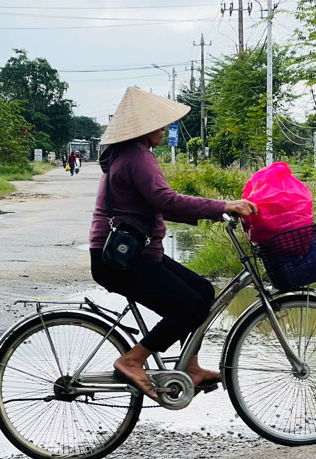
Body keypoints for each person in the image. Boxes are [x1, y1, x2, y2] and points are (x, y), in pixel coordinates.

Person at [90, 87, 257, 401]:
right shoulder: (137, 157)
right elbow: (167, 202)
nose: (164, 128)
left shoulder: (131, 154)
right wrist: (222, 206)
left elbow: (160, 204)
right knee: (191, 308)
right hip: (122, 260)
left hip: (134, 254)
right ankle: (133, 359)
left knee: (204, 292)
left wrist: (216, 208)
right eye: (159, 123)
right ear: (142, 128)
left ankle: (190, 366)